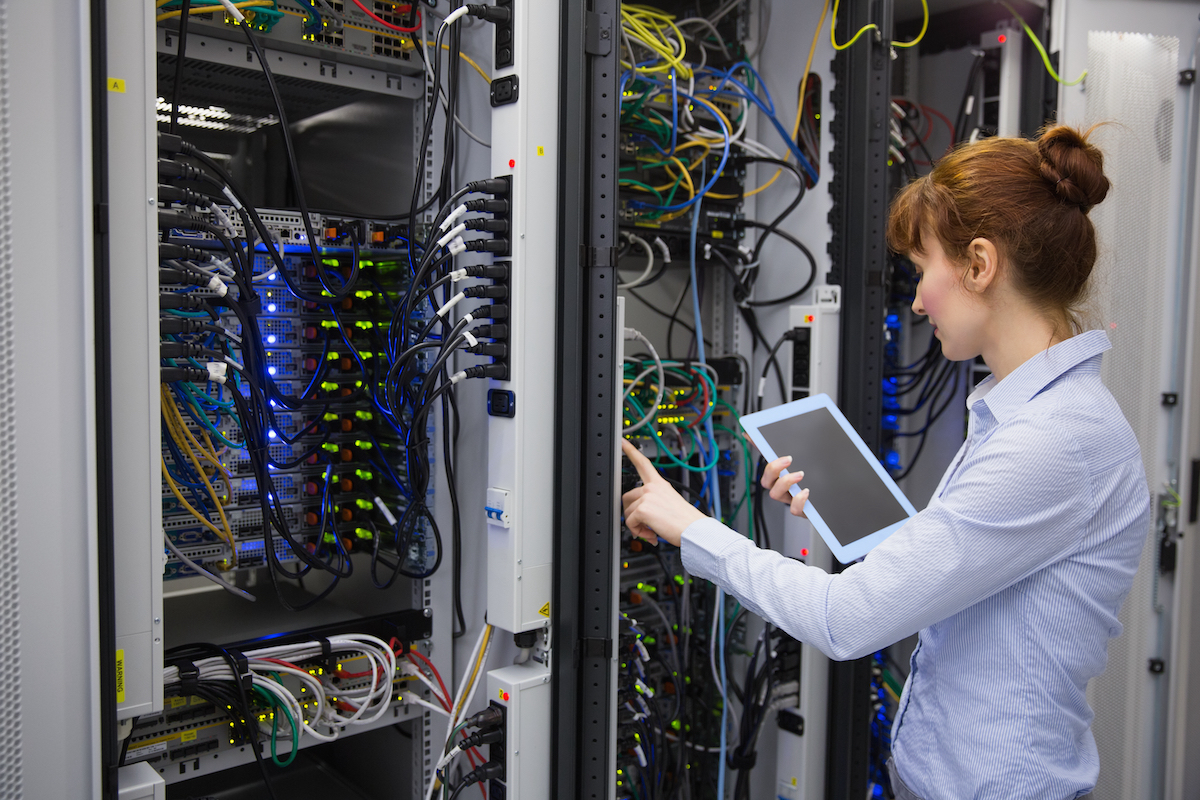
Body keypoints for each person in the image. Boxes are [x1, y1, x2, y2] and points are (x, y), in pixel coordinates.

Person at [620, 124, 1149, 800]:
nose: (921, 298)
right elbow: (971, 573)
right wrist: (840, 500)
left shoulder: (1051, 440)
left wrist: (688, 526)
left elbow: (846, 621)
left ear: (980, 265)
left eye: (925, 268)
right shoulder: (1028, 415)